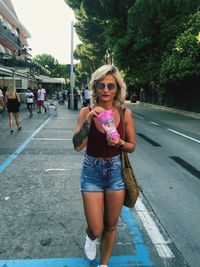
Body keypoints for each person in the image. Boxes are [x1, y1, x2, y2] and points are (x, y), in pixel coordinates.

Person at [72, 65, 135, 267]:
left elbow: (132, 146)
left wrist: (120, 144)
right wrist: (89, 120)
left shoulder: (125, 114)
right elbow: (77, 146)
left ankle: (104, 264)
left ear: (117, 89)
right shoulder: (86, 111)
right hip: (92, 172)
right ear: (95, 87)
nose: (106, 89)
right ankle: (91, 236)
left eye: (111, 85)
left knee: (111, 225)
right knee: (96, 227)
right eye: (101, 85)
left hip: (116, 171)